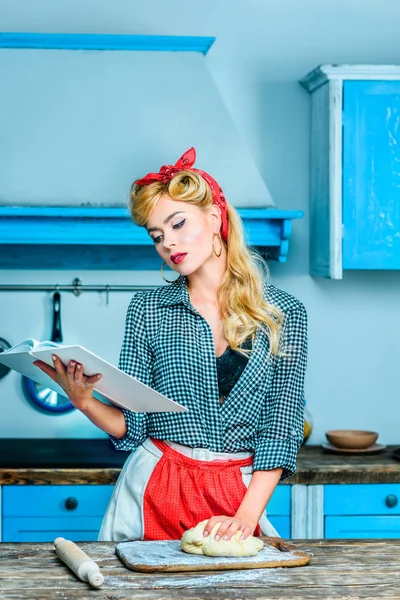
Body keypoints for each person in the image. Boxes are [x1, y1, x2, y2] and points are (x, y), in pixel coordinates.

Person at [34, 147, 307, 544]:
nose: (168, 243)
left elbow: (281, 427)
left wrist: (246, 517)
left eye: (178, 224)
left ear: (214, 218)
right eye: (157, 235)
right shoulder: (147, 310)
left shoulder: (284, 313)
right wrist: (84, 400)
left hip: (238, 496)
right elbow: (134, 426)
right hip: (153, 486)